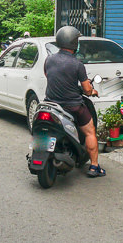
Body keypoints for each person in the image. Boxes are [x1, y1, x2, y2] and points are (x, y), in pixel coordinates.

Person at [44, 26, 104, 177]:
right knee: (90, 132)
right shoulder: (77, 64)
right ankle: (94, 167)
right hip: (73, 107)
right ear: (73, 43)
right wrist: (92, 91)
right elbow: (87, 90)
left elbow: (48, 76)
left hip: (50, 105)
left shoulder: (49, 60)